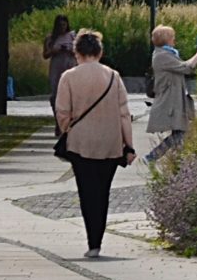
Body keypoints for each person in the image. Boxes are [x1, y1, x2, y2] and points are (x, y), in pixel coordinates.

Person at [53, 29, 135, 259]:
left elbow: (62, 113)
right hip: (110, 142)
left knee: (87, 192)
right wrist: (129, 145)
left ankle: (93, 242)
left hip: (81, 142)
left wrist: (69, 127)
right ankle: (97, 237)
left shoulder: (68, 77)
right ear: (99, 52)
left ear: (76, 51)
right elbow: (123, 114)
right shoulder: (113, 76)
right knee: (103, 192)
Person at [145, 24, 197, 166]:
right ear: (166, 40)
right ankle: (153, 157)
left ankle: (179, 161)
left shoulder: (168, 54)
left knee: (180, 131)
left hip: (176, 100)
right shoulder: (162, 56)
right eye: (172, 37)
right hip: (170, 102)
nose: (174, 40)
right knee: (181, 132)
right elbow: (187, 67)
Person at [43, 14, 77, 102]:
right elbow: (45, 55)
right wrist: (53, 51)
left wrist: (69, 49)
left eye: (64, 25)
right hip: (57, 66)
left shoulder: (72, 36)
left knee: (70, 89)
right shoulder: (50, 38)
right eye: (60, 25)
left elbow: (79, 52)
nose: (62, 27)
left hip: (69, 64)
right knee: (56, 89)